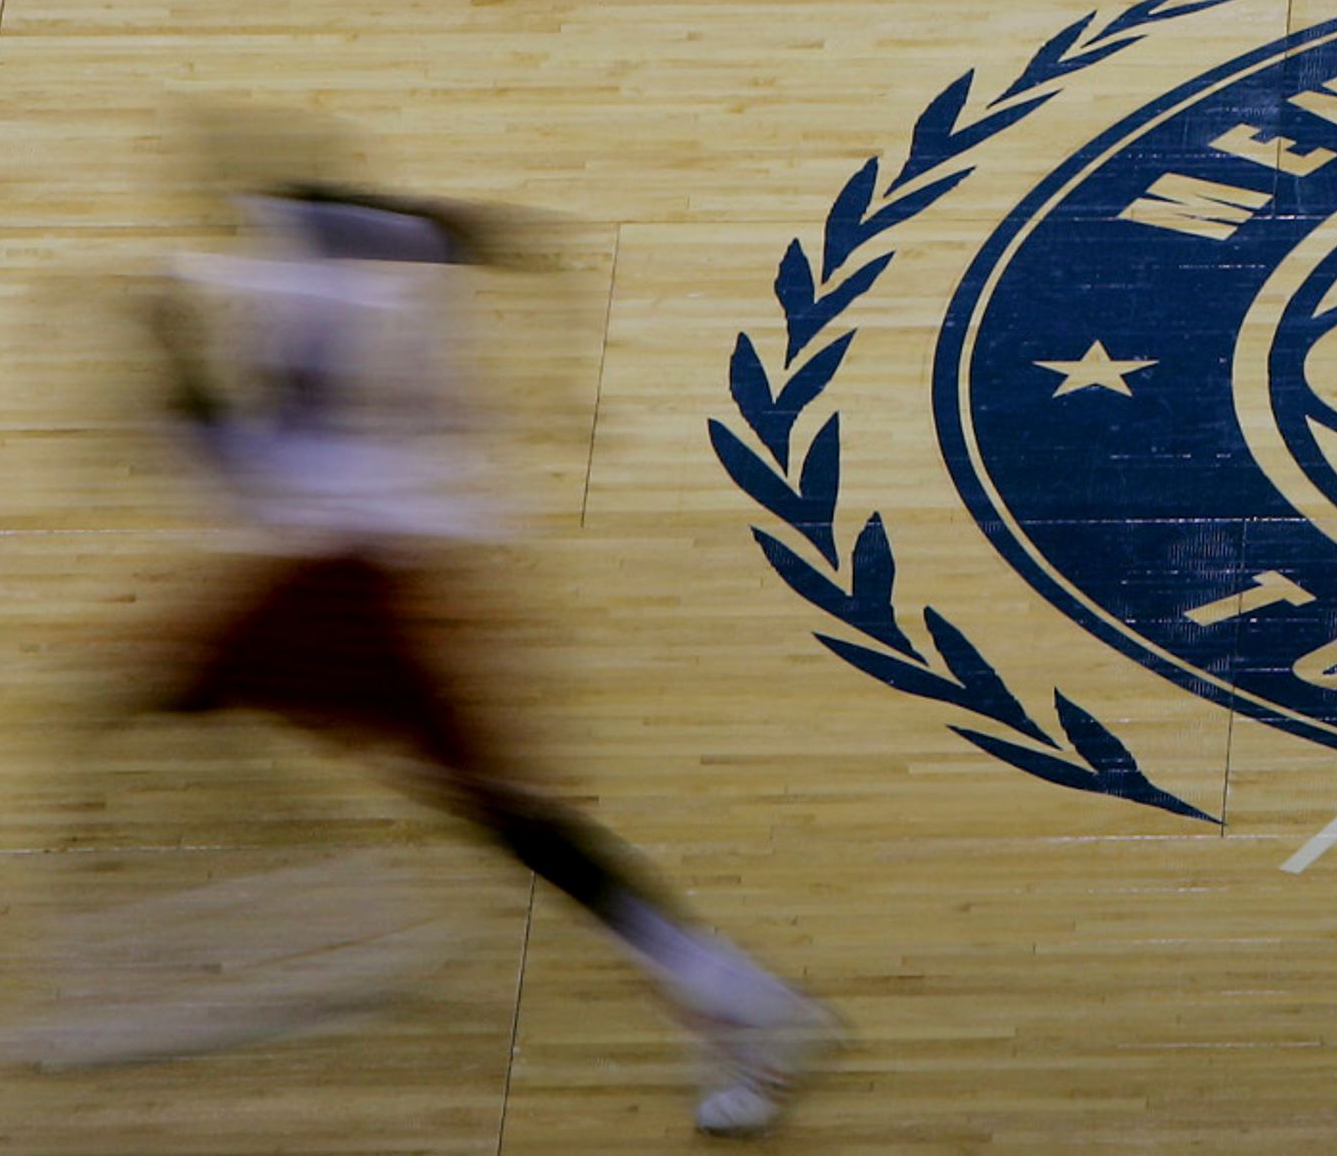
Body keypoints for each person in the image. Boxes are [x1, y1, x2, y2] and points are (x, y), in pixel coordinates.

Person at [100, 145, 836, 1136]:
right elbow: (490, 236)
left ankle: (739, 999)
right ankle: (732, 993)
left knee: (161, 702)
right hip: (399, 563)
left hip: (350, 574)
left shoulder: (276, 276)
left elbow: (245, 451)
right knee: (498, 808)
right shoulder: (379, 257)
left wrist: (167, 353)